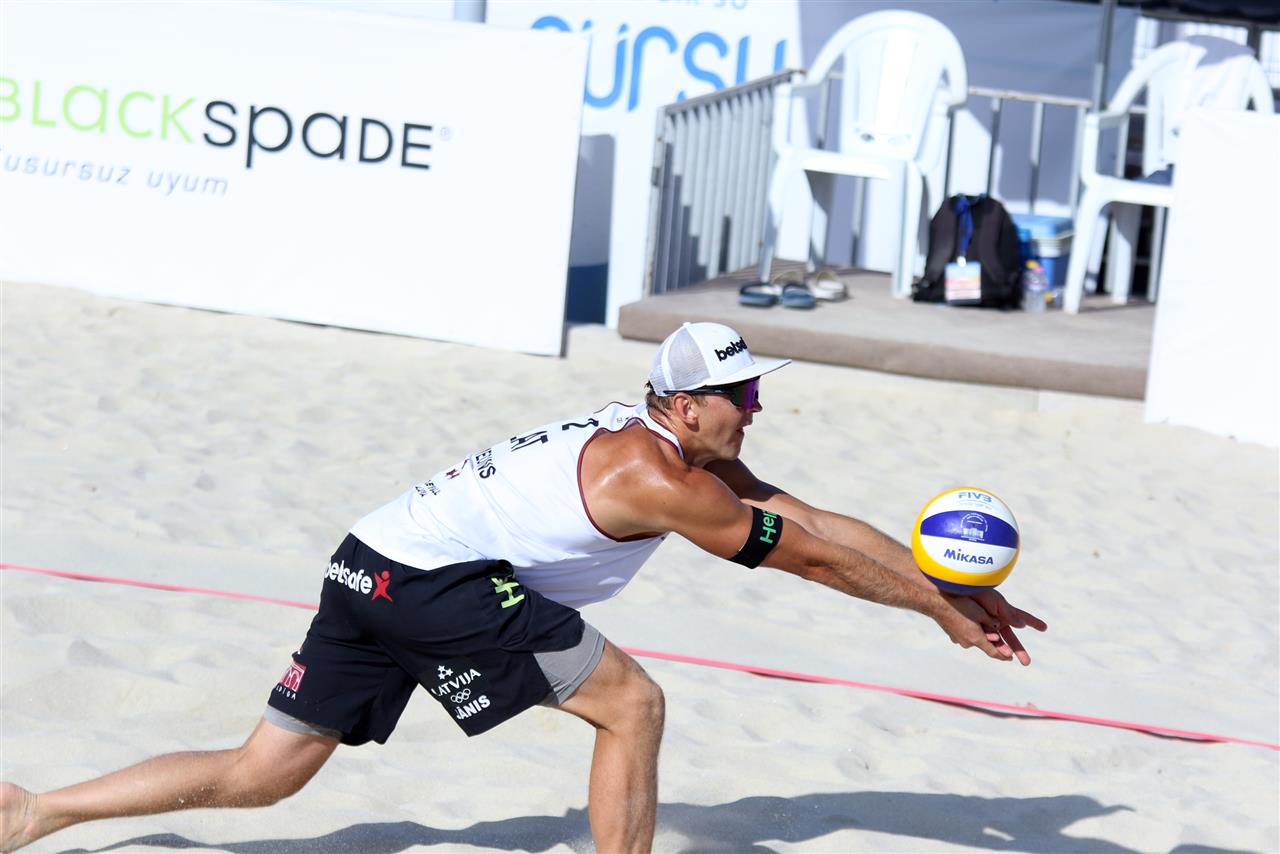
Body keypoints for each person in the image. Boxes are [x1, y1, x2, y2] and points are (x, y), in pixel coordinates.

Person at [0, 321, 1046, 853]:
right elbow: (806, 558)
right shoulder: (658, 478)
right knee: (632, 704)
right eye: (741, 394)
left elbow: (809, 518)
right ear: (686, 405)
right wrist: (938, 612)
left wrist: (942, 588)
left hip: (368, 557)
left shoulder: (657, 438)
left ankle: (33, 809)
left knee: (262, 774)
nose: (756, 408)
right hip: (434, 583)